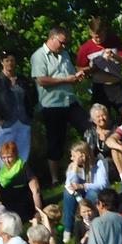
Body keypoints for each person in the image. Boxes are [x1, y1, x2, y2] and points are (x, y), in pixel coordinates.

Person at [31, 25, 89, 183]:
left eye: (65, 44)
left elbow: (70, 75)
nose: (64, 46)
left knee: (89, 128)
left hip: (70, 101)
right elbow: (41, 80)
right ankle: (55, 179)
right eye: (61, 43)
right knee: (55, 142)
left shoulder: (64, 54)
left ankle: (90, 166)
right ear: (52, 38)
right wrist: (65, 79)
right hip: (52, 105)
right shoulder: (39, 56)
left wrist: (76, 77)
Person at [0, 49, 35, 168]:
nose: (10, 63)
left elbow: (32, 98)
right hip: (6, 123)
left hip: (23, 122)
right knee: (4, 154)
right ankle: (4, 181)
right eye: (7, 60)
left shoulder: (22, 80)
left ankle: (22, 178)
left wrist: (30, 115)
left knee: (23, 153)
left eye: (12, 60)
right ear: (2, 62)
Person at [75, 17, 122, 111]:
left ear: (105, 31)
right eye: (96, 37)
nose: (99, 39)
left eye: (101, 36)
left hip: (117, 85)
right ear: (90, 33)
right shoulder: (85, 48)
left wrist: (114, 56)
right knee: (101, 117)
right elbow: (79, 69)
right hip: (100, 87)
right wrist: (94, 68)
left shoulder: (114, 40)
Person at [0, 140, 43, 222]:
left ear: (15, 155)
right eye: (4, 158)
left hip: (25, 205)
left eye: (9, 157)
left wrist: (38, 212)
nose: (7, 161)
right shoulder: (0, 173)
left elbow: (36, 191)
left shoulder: (24, 168)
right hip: (8, 206)